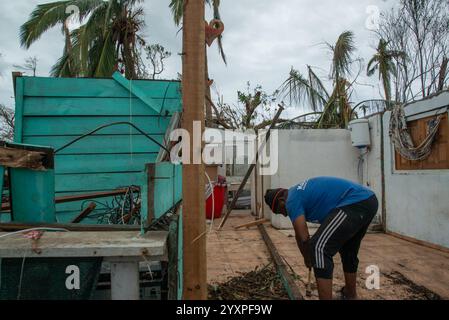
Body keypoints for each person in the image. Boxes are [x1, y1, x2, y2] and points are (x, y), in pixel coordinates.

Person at [264, 177, 378, 300]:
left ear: (281, 200)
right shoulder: (297, 193)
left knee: (318, 247)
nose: (284, 214)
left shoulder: (291, 200)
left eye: (280, 210)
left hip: (354, 202)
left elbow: (304, 238)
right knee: (348, 250)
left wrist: (309, 257)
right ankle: (350, 295)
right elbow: (299, 234)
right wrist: (307, 258)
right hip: (368, 200)